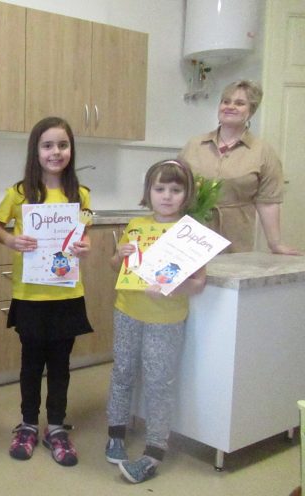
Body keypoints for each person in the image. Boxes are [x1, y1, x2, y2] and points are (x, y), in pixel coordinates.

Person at [0, 116, 93, 467]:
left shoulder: (81, 194)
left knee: (61, 365)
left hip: (66, 294)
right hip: (31, 296)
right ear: (35, 151)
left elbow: (83, 235)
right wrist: (11, 241)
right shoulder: (20, 192)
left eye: (62, 145)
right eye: (47, 145)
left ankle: (57, 428)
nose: (55, 152)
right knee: (31, 363)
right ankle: (28, 425)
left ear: (71, 150)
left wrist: (85, 246)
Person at [105, 159, 207, 484]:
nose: (166, 196)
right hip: (127, 310)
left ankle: (153, 453)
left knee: (158, 383)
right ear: (148, 191)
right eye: (160, 188)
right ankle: (115, 434)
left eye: (175, 190)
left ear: (187, 194)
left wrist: (174, 287)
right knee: (122, 372)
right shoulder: (137, 224)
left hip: (166, 319)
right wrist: (119, 255)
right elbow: (116, 266)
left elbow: (199, 283)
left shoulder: (190, 233)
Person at [179, 79, 300, 255]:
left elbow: (268, 203)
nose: (230, 107)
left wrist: (275, 244)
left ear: (251, 110)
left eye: (239, 103)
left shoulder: (263, 151)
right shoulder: (194, 145)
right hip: (191, 235)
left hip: (235, 236)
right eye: (225, 101)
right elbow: (175, 189)